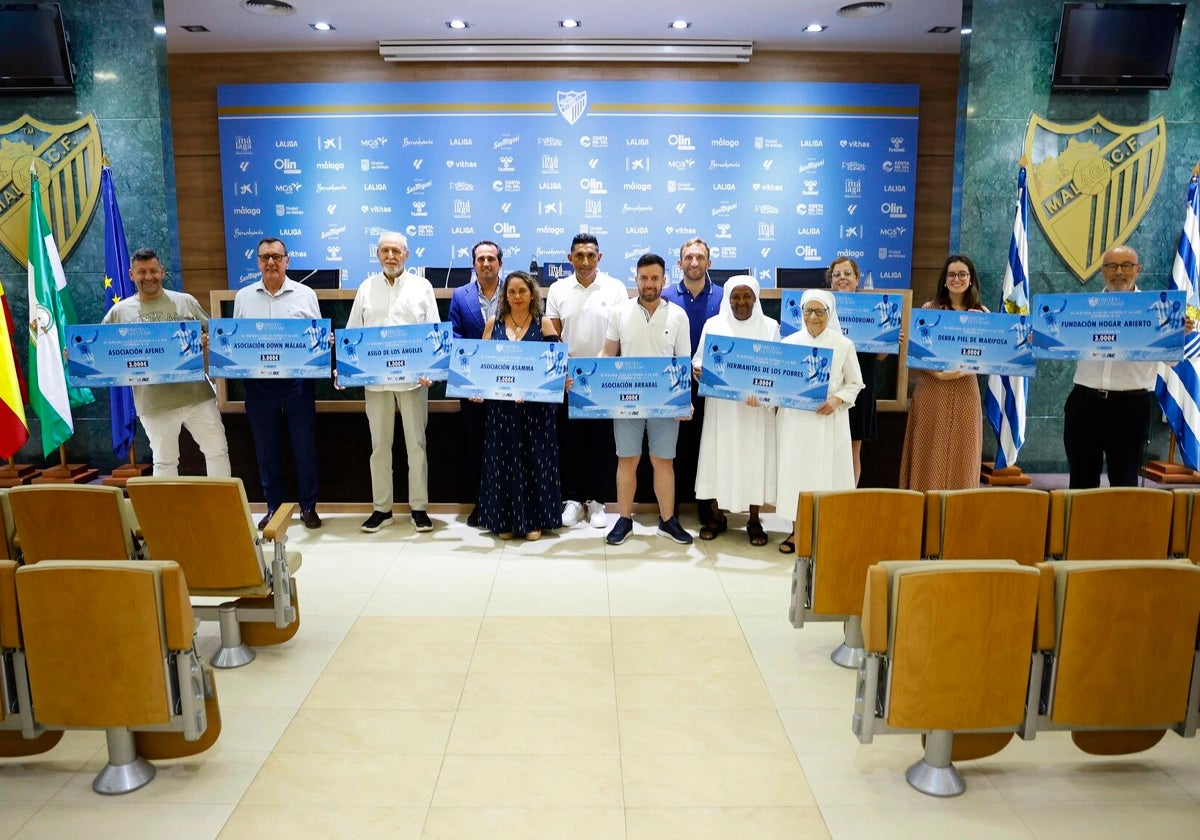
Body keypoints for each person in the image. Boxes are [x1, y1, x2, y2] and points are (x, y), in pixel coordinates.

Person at [1064, 245, 1192, 488]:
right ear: (1102, 271)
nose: (1118, 272)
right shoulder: (1080, 309)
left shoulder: (1159, 312)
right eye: (1112, 266)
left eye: (1126, 265)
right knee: (1080, 480)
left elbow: (1172, 361)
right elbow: (1057, 342)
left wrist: (1177, 335)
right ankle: (1081, 527)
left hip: (1130, 408)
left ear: (1138, 269)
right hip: (1084, 404)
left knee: (1124, 481)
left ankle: (1122, 528)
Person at [101, 247, 232, 480]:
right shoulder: (119, 312)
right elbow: (102, 350)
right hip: (154, 403)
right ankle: (166, 514)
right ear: (131, 274)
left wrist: (206, 340)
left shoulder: (186, 302)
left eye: (153, 270)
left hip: (197, 397)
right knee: (164, 462)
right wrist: (75, 355)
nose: (148, 277)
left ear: (162, 272)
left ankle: (222, 510)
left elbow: (217, 335)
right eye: (142, 272)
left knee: (217, 452)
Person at [346, 231, 437, 533]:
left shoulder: (422, 287)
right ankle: (382, 509)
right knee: (379, 447)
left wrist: (431, 370)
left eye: (396, 251)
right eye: (385, 250)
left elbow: (433, 333)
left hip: (413, 382)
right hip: (375, 383)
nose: (390, 256)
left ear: (406, 255)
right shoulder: (366, 287)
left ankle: (419, 508)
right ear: (377, 254)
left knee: (417, 446)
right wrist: (348, 370)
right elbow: (352, 333)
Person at [601, 253, 693, 545]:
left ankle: (668, 521)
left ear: (665, 280)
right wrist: (594, 385)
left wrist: (684, 400)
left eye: (655, 278)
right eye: (644, 278)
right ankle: (624, 519)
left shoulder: (678, 315)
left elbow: (684, 363)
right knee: (626, 460)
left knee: (663, 461)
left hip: (665, 402)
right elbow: (607, 354)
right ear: (636, 279)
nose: (649, 283)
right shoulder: (619, 312)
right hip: (626, 399)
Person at [232, 237, 322, 529]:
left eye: (276, 257)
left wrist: (323, 342)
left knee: (304, 446)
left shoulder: (306, 294)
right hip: (259, 385)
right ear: (258, 261)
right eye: (264, 257)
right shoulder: (243, 297)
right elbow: (236, 342)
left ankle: (308, 507)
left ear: (287, 260)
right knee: (266, 449)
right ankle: (274, 508)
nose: (270, 262)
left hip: (297, 383)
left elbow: (316, 339)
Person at [544, 233, 629, 529]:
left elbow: (621, 334)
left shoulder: (616, 288)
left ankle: (596, 502)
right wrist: (561, 373)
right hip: (568, 381)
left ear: (599, 257)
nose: (584, 261)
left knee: (602, 443)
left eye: (590, 255)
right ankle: (572, 500)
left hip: (604, 382)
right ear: (570, 259)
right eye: (579, 256)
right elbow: (552, 336)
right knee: (570, 443)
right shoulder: (557, 289)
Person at [475, 271, 563, 540]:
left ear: (532, 294)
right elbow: (482, 366)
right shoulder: (493, 323)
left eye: (522, 291)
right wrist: (479, 389)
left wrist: (532, 388)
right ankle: (504, 520)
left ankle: (534, 520)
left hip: (536, 410)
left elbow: (556, 368)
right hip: (502, 410)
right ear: (505, 296)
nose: (516, 297)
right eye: (511, 292)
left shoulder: (544, 323)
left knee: (535, 460)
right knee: (503, 459)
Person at [691, 275, 779, 545]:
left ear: (755, 298)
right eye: (735, 297)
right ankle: (718, 516)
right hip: (723, 409)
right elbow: (699, 360)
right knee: (720, 458)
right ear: (727, 299)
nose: (741, 302)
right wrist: (699, 371)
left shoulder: (770, 326)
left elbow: (777, 368)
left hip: (755, 410)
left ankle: (754, 520)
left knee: (755, 462)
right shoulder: (714, 324)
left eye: (747, 296)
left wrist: (763, 395)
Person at [776, 289, 863, 553]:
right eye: (808, 311)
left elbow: (855, 382)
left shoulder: (843, 344)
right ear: (800, 313)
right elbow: (779, 384)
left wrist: (837, 399)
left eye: (820, 311)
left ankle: (827, 533)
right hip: (795, 423)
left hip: (829, 422)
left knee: (828, 476)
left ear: (830, 313)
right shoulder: (789, 343)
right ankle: (796, 532)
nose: (813, 317)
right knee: (796, 475)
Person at [898, 254, 988, 492]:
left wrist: (957, 372)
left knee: (964, 448)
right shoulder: (930, 309)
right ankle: (923, 504)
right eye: (951, 274)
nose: (956, 279)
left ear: (971, 279)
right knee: (930, 447)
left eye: (962, 274)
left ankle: (959, 509)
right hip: (931, 387)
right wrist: (938, 374)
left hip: (966, 388)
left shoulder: (982, 314)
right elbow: (917, 350)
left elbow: (988, 356)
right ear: (944, 279)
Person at [662, 237, 724, 527]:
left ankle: (704, 505)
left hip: (712, 387)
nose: (694, 262)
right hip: (673, 385)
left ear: (709, 263)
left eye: (700, 257)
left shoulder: (725, 297)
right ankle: (669, 508)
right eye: (688, 257)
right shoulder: (664, 296)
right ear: (680, 263)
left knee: (706, 447)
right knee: (672, 448)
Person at [449, 240, 502, 527]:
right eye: (480, 259)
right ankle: (481, 504)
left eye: (491, 258)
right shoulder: (460, 296)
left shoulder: (516, 290)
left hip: (509, 384)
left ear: (500, 263)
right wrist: (471, 384)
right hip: (473, 389)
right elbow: (454, 341)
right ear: (474, 264)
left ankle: (504, 502)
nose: (486, 263)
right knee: (477, 446)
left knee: (506, 446)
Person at [828, 256, 888, 485]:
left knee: (853, 445)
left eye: (847, 274)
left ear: (857, 278)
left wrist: (891, 342)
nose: (842, 278)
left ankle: (848, 498)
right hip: (830, 385)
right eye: (837, 275)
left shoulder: (872, 309)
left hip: (860, 384)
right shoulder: (820, 307)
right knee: (828, 444)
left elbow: (880, 357)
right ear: (831, 280)